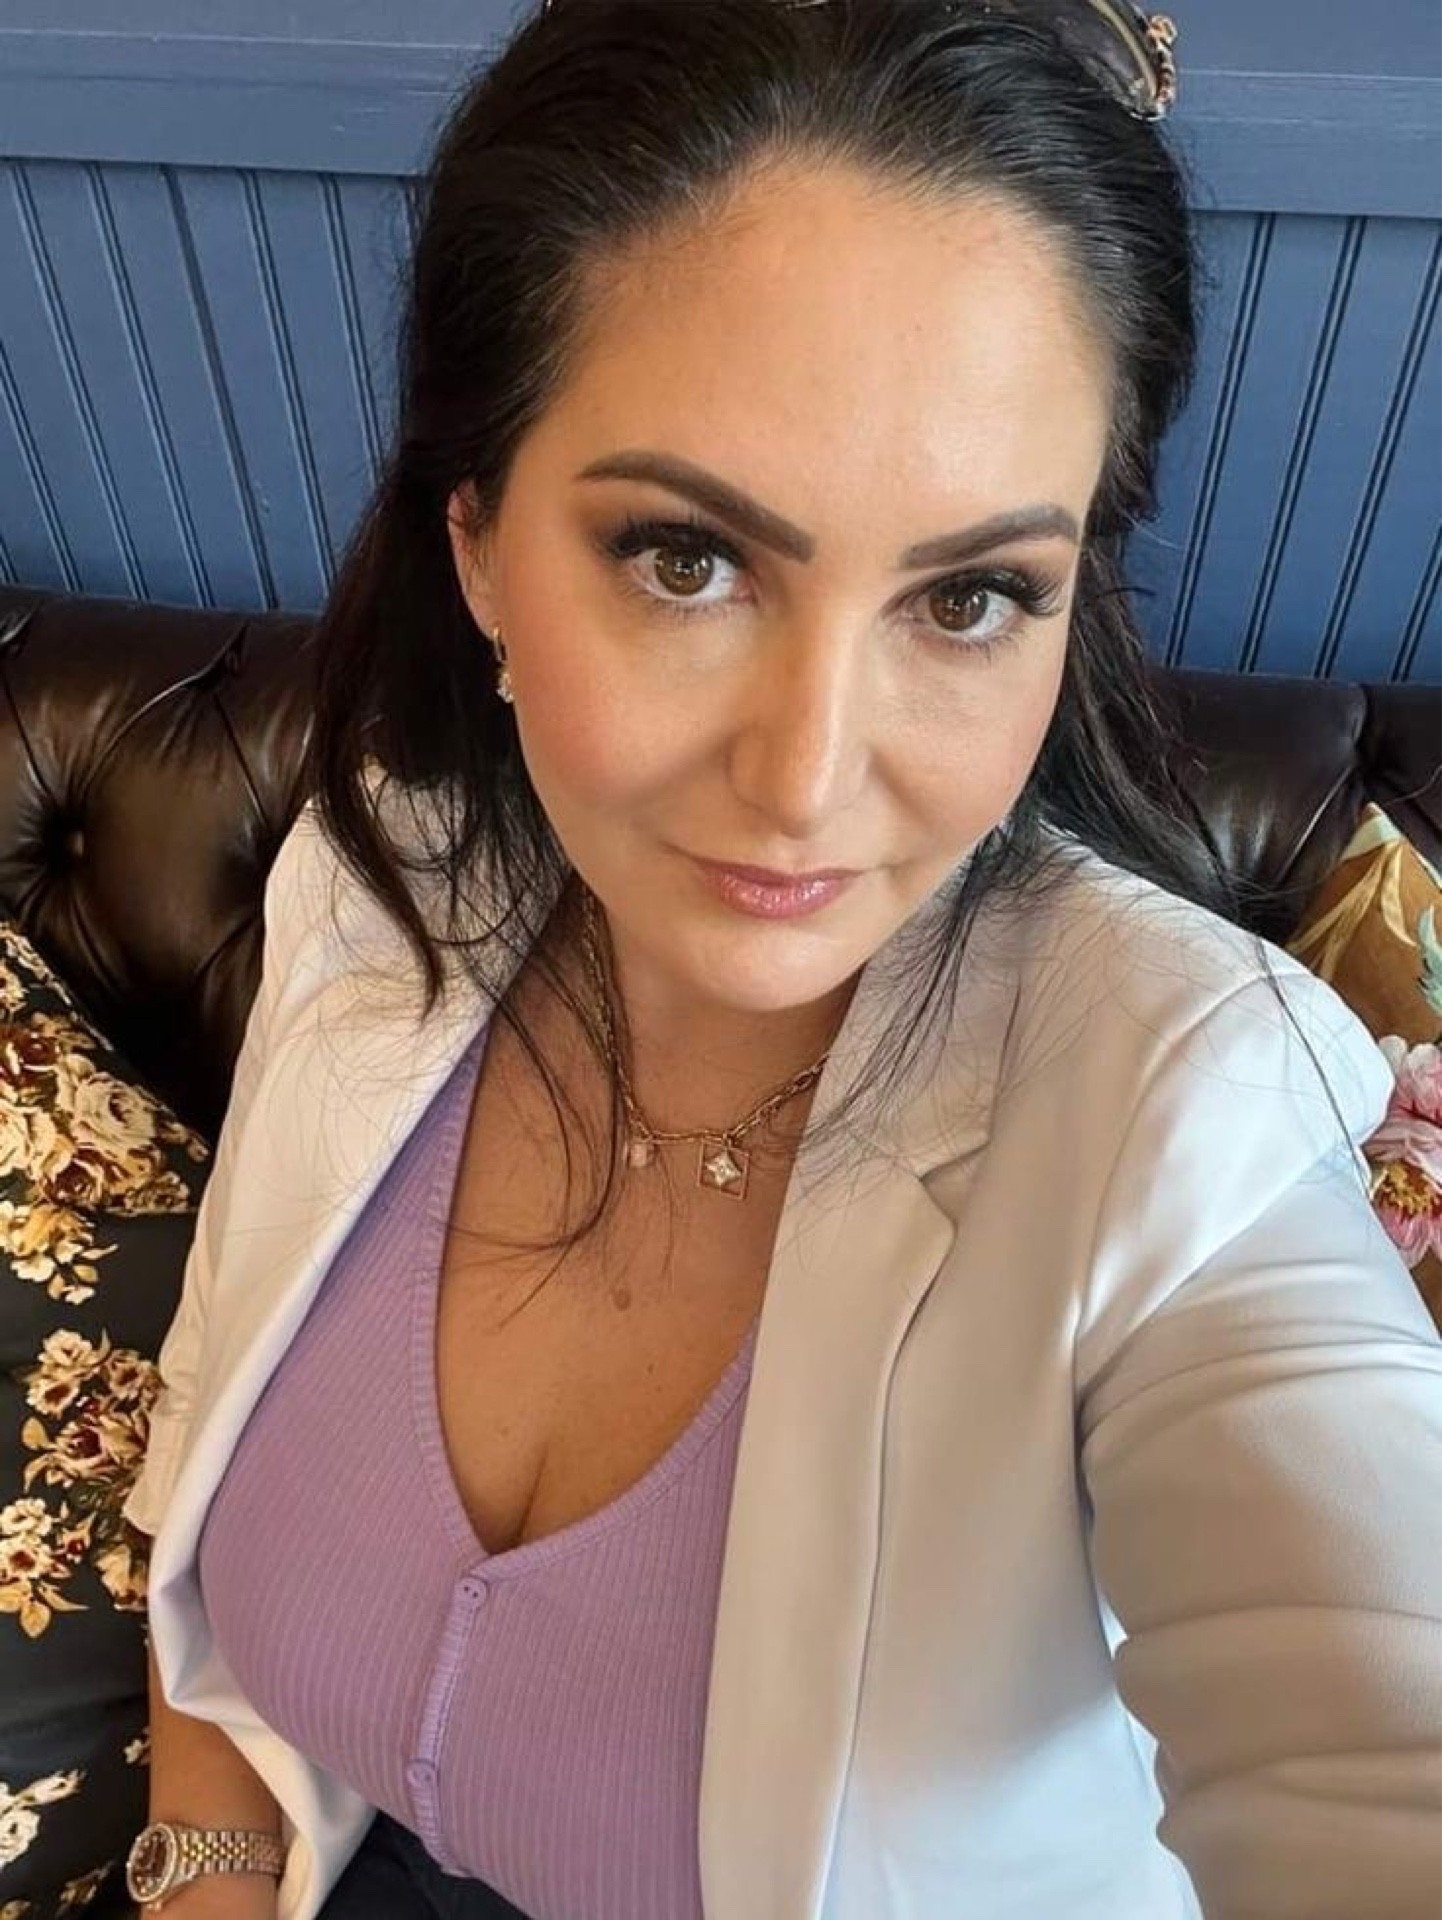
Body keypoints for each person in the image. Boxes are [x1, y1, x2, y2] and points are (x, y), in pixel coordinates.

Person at [121, 2, 1442, 1917]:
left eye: (968, 595)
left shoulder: (1187, 1111)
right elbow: (202, 1465)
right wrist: (210, 1872)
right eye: (685, 559)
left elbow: (1375, 1725)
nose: (808, 779)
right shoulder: (380, 888)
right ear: (475, 542)